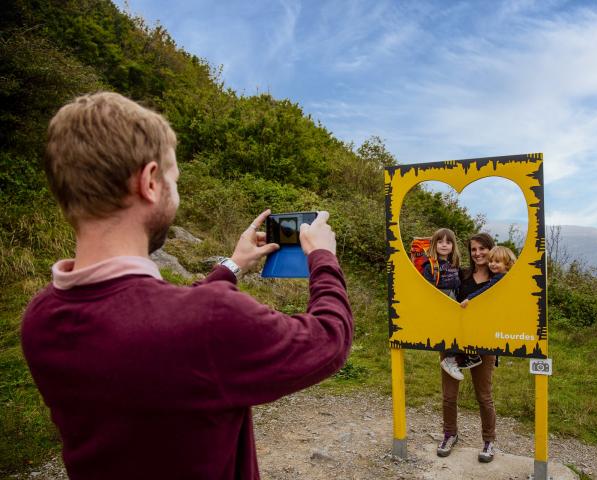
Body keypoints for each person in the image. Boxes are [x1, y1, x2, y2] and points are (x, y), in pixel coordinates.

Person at [21, 92, 353, 480]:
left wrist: (232, 264)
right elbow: (330, 338)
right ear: (149, 182)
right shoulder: (209, 320)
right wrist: (323, 258)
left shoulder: (41, 318)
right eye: (174, 180)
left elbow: (156, 317)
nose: (175, 194)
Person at [437, 232, 497, 463]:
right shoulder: (461, 275)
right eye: (474, 249)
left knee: (484, 396)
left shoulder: (499, 279)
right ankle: (449, 434)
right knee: (449, 396)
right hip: (453, 343)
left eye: (482, 248)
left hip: (484, 344)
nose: (478, 253)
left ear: (491, 249)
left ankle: (489, 441)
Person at [422, 228, 466, 381]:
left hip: (454, 299)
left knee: (460, 328)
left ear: (453, 245)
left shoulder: (454, 264)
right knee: (450, 330)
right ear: (434, 245)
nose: (444, 245)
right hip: (441, 301)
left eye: (448, 242)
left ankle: (460, 357)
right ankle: (449, 359)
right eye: (440, 242)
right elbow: (428, 288)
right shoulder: (430, 266)